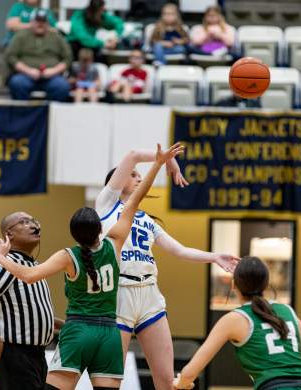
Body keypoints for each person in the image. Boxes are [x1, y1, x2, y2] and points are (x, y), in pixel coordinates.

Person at [0, 143, 185, 390]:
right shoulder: (114, 244)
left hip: (78, 331)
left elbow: (28, 275)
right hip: (109, 336)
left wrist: (2, 257)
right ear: (101, 229)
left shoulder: (68, 256)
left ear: (73, 233)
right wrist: (157, 164)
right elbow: (134, 201)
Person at [95, 149, 239, 390]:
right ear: (116, 182)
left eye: (140, 175)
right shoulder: (106, 205)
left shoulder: (147, 220)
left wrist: (214, 257)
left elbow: (180, 250)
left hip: (150, 294)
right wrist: (166, 159)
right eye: (133, 175)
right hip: (120, 292)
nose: (139, 178)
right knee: (111, 380)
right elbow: (133, 155)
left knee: (166, 380)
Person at [173, 257, 301, 389]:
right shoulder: (288, 311)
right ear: (266, 285)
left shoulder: (234, 319)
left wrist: (180, 384)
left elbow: (189, 373)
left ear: (234, 284)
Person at [0, 211, 58, 390]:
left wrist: (65, 324)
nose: (33, 225)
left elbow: (29, 311)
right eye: (24, 222)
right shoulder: (6, 263)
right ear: (9, 234)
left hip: (38, 355)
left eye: (34, 221)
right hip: (15, 354)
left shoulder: (34, 266)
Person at [6, 8, 72, 101]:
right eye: (37, 21)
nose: (40, 24)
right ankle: (23, 113)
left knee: (62, 86)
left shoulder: (57, 37)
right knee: (17, 83)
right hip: (26, 75)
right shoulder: (21, 36)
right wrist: (28, 70)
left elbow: (68, 58)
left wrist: (53, 71)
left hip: (52, 76)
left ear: (47, 23)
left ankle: (50, 113)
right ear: (32, 22)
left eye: (43, 21)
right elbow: (10, 56)